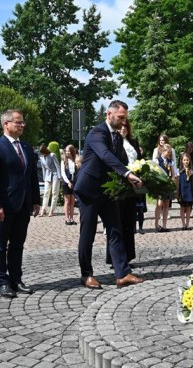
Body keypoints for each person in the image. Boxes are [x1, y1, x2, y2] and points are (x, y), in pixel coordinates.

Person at [74, 100, 144, 290]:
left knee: (115, 231)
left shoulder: (118, 137)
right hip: (89, 191)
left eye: (125, 118)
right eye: (121, 117)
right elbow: (105, 155)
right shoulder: (97, 133)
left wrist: (141, 171)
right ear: (109, 114)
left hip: (108, 191)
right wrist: (128, 174)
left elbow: (121, 160)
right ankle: (86, 275)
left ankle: (122, 274)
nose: (124, 122)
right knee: (87, 234)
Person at [0, 109, 41, 299]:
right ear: (6, 124)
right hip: (4, 206)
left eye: (23, 122)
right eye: (18, 122)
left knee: (17, 244)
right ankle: (2, 281)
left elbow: (32, 176)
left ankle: (16, 279)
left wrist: (35, 200)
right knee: (0, 245)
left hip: (23, 205)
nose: (22, 125)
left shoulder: (25, 146)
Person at [106, 120, 140, 264]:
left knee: (129, 221)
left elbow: (140, 159)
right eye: (121, 126)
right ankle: (115, 258)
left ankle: (127, 256)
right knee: (117, 222)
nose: (124, 128)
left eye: (126, 126)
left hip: (132, 185)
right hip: (119, 183)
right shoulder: (113, 142)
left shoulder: (133, 142)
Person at [155, 145, 175, 232]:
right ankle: (156, 224)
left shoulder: (170, 161)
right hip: (160, 185)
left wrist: (172, 180)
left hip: (168, 185)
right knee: (159, 205)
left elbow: (173, 173)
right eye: (168, 152)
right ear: (163, 151)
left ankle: (164, 225)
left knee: (166, 205)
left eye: (170, 152)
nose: (169, 153)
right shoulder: (157, 160)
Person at [38, 144, 61, 217]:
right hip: (47, 176)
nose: (41, 153)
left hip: (55, 175)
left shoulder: (52, 155)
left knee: (54, 193)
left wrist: (59, 176)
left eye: (42, 152)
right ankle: (43, 210)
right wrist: (44, 178)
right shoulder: (41, 157)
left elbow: (57, 166)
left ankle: (52, 210)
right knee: (46, 193)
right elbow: (43, 168)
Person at [177, 152, 193, 230]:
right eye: (184, 160)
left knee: (188, 208)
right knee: (182, 208)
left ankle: (187, 224)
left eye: (187, 160)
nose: (186, 162)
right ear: (182, 161)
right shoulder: (178, 170)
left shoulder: (192, 170)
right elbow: (177, 182)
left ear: (189, 161)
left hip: (189, 191)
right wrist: (177, 193)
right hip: (182, 191)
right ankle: (183, 224)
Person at [60, 145, 78, 225]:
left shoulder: (75, 160)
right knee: (67, 201)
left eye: (68, 151)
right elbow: (63, 173)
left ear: (72, 151)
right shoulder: (63, 161)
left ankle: (71, 218)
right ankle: (67, 219)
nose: (67, 152)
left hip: (74, 182)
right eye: (66, 151)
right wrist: (68, 182)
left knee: (72, 201)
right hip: (66, 182)